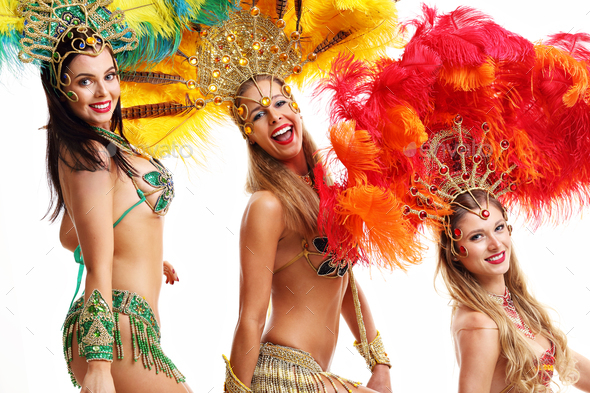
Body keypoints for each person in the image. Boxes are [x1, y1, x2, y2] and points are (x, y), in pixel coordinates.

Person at [11, 0, 192, 391]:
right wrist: (98, 365)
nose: (103, 91)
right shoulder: (89, 152)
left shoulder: (102, 146)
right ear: (63, 91)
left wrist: (139, 248)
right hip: (114, 331)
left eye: (108, 75)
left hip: (128, 329)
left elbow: (69, 235)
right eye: (84, 81)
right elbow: (96, 263)